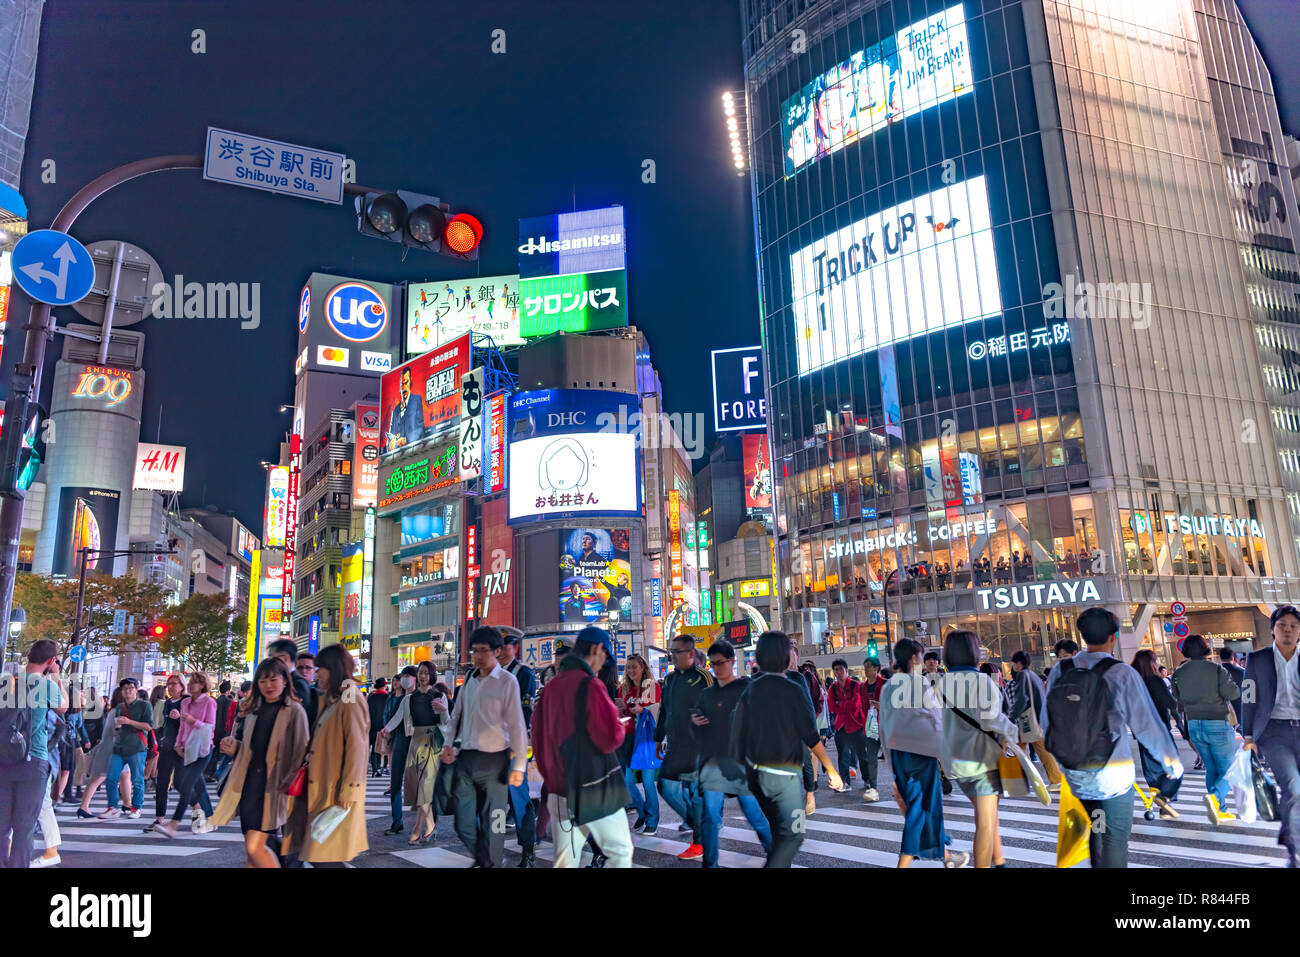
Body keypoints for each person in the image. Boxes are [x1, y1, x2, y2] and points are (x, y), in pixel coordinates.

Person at [1043, 608, 1184, 868]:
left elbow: (1047, 722)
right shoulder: (1121, 673)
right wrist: (1172, 764)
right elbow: (1146, 725)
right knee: (1113, 840)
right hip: (1112, 774)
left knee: (1096, 831)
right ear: (1114, 636)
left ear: (1082, 635)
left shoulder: (1060, 671)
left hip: (1076, 772)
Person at [732, 632, 842, 867]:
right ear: (785, 657)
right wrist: (831, 769)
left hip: (756, 776)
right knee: (795, 833)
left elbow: (736, 732)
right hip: (784, 777)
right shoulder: (791, 687)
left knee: (779, 832)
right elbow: (810, 734)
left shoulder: (750, 690)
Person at [532, 626, 634, 867]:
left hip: (559, 787)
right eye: (605, 657)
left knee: (566, 860)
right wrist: (619, 725)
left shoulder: (550, 688)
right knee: (619, 852)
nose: (603, 664)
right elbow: (609, 737)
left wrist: (552, 774)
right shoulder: (590, 685)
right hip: (594, 787)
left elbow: (537, 736)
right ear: (597, 649)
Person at [441, 626, 528, 868]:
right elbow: (456, 716)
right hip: (467, 758)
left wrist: (519, 766)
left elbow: (517, 726)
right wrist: (449, 744)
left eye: (483, 651)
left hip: (495, 762)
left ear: (497, 651)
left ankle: (492, 860)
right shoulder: (469, 679)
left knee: (495, 822)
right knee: (463, 821)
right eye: (474, 651)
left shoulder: (507, 682)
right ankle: (486, 859)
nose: (477, 656)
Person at [210, 657, 309, 867]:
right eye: (263, 681)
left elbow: (302, 750)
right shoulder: (253, 710)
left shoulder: (294, 711)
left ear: (285, 681)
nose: (269, 685)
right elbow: (250, 748)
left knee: (257, 845)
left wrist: (290, 777)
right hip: (249, 786)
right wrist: (234, 746)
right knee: (251, 847)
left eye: (274, 679)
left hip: (274, 787)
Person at [878, 638, 968, 868]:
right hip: (921, 754)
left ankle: (946, 856)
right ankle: (904, 863)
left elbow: (884, 724)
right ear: (914, 658)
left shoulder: (889, 686)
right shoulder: (919, 684)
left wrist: (890, 761)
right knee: (921, 808)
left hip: (898, 754)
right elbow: (937, 719)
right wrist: (947, 753)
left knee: (924, 806)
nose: (922, 659)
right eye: (920, 655)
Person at [936, 631, 1018, 868]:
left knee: (987, 815)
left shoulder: (939, 683)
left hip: (956, 763)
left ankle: (999, 861)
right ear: (973, 651)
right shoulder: (982, 680)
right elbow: (992, 720)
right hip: (982, 762)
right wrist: (1013, 733)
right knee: (985, 821)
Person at [285, 644, 369, 866]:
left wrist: (349, 789)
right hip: (322, 785)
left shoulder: (350, 694)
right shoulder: (334, 697)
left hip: (335, 790)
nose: (316, 673)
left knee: (323, 855)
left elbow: (357, 746)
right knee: (318, 853)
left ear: (333, 668)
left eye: (319, 668)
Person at [694, 640, 773, 867]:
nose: (716, 668)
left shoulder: (747, 688)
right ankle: (710, 864)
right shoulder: (706, 695)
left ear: (731, 662)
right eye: (712, 664)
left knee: (754, 815)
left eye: (720, 663)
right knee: (709, 817)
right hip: (713, 762)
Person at [1242, 605, 1300, 868]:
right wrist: (1247, 736)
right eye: (1282, 625)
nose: (1287, 630)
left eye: (1293, 626)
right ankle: (1295, 850)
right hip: (1274, 733)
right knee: (1293, 788)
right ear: (1273, 630)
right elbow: (1248, 697)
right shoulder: (1259, 659)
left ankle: (1292, 836)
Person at [0, 640, 64, 869]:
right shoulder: (47, 686)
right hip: (33, 760)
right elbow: (63, 708)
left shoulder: (5, 682)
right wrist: (55, 675)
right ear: (50, 661)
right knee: (24, 828)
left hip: (3, 760)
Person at [654, 634, 713, 861]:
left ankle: (699, 840)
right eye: (671, 651)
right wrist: (658, 738)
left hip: (698, 746)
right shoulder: (669, 680)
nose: (671, 655)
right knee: (666, 788)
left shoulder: (703, 677)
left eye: (675, 652)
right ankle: (698, 825)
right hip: (675, 744)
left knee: (695, 794)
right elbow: (664, 711)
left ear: (689, 653)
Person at [1171, 633, 1241, 825]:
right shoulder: (1216, 670)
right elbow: (1232, 693)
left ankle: (1220, 811)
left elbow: (1176, 696)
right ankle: (1216, 798)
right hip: (1217, 721)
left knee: (1211, 768)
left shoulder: (1179, 672)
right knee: (1227, 770)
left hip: (1193, 723)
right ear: (1205, 649)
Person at [380, 660, 447, 845]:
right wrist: (386, 729)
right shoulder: (409, 699)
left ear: (431, 675)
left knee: (425, 786)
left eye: (426, 673)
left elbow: (447, 722)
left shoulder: (438, 696)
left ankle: (419, 828)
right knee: (418, 789)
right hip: (415, 743)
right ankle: (429, 824)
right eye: (420, 673)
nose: (423, 676)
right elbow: (397, 718)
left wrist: (443, 710)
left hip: (433, 742)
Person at [151, 672, 218, 839]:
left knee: (187, 783)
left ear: (202, 685)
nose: (191, 684)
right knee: (189, 783)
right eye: (191, 681)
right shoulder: (186, 702)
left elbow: (209, 727)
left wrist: (192, 721)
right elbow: (181, 727)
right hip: (186, 747)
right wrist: (178, 744)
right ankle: (210, 818)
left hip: (203, 748)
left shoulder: (209, 702)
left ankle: (174, 824)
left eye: (195, 682)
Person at [497, 628, 538, 867]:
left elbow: (525, 710)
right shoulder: (490, 674)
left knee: (519, 797)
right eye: (498, 647)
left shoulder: (524, 674)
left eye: (506, 647)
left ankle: (528, 852)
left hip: (513, 745)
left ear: (515, 648)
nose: (501, 652)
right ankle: (493, 848)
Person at [1130, 649, 1182, 819]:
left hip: (1141, 730)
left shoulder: (1132, 682)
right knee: (1173, 767)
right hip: (1159, 729)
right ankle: (1164, 801)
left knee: (1152, 770)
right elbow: (1169, 703)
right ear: (1152, 663)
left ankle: (1160, 800)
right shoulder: (1155, 681)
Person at [98, 678, 153, 819]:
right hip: (119, 747)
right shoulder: (120, 708)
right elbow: (117, 730)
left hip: (137, 747)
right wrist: (117, 727)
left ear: (136, 690)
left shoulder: (145, 706)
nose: (128, 691)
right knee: (111, 778)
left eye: (130, 688)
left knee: (137, 780)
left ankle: (136, 808)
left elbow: (148, 726)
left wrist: (129, 722)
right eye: (125, 689)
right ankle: (112, 807)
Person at [619, 654, 661, 834]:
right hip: (629, 739)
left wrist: (643, 710)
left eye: (634, 667)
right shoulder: (623, 689)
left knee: (648, 781)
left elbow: (659, 709)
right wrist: (619, 709)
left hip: (647, 740)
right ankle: (642, 811)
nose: (631, 671)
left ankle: (652, 820)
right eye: (628, 667)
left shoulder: (653, 687)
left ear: (643, 668)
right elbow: (623, 714)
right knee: (627, 780)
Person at [1008, 650, 1061, 787]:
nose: (1012, 666)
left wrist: (1011, 718)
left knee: (1032, 749)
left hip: (1029, 720)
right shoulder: (1033, 675)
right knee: (1019, 748)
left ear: (1019, 663)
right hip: (1037, 718)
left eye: (1013, 663)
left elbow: (1021, 700)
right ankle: (1016, 781)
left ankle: (1055, 779)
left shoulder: (1022, 675)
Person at [827, 659, 876, 800]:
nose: (838, 672)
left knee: (862, 755)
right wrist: (842, 706)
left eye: (841, 669)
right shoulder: (833, 688)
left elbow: (855, 704)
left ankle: (867, 779)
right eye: (836, 670)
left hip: (856, 724)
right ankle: (845, 782)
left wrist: (840, 705)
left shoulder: (856, 685)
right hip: (841, 726)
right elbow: (832, 706)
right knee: (843, 755)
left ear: (846, 671)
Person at [146, 673, 187, 832]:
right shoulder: (167, 703)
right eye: (168, 684)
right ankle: (159, 819)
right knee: (162, 782)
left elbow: (192, 722)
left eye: (174, 684)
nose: (170, 687)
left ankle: (200, 808)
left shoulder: (187, 701)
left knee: (182, 782)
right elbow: (165, 724)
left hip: (182, 747)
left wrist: (180, 717)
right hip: (168, 746)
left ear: (182, 686)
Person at [380, 666, 415, 833]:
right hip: (400, 741)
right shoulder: (397, 699)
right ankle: (397, 820)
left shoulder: (422, 697)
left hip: (418, 743)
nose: (404, 680)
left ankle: (428, 822)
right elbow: (393, 718)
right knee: (395, 782)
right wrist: (386, 730)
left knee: (422, 785)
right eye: (403, 677)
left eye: (408, 676)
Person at [206, 680, 234, 781]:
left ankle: (208, 772)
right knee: (219, 753)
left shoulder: (215, 701)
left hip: (214, 729)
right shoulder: (229, 702)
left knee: (214, 752)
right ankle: (211, 773)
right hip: (223, 730)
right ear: (228, 690)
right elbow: (227, 717)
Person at [367, 678, 389, 777]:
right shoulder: (388, 697)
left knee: (375, 748)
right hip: (384, 725)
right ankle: (384, 767)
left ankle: (375, 769)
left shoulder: (371, 697)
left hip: (372, 725)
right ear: (385, 685)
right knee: (385, 747)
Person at [1218, 647, 1246, 726]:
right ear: (1232, 657)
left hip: (1221, 708)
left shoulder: (1215, 672)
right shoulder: (1242, 672)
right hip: (1239, 706)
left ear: (1220, 658)